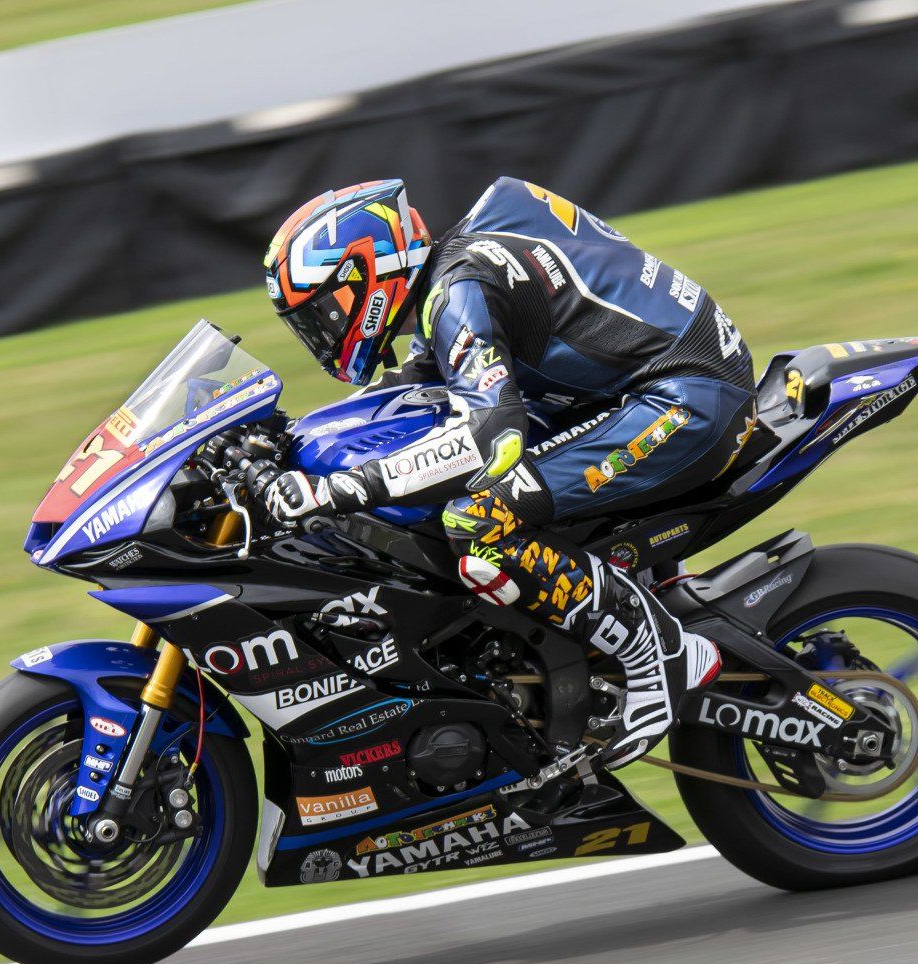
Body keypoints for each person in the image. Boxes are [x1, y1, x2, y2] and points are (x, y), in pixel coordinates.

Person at [261, 177, 764, 768]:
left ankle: (658, 652)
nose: (321, 329)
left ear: (367, 272)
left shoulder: (458, 287)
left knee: (479, 520)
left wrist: (341, 488)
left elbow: (490, 439)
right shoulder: (453, 279)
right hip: (652, 387)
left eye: (324, 309)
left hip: (688, 402)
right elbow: (412, 388)